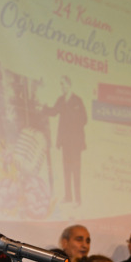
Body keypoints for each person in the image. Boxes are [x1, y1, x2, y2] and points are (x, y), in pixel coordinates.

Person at [44, 75, 87, 204]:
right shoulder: (61, 100)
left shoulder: (77, 100)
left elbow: (84, 119)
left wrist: (73, 123)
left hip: (76, 142)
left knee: (76, 170)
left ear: (69, 84)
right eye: (60, 84)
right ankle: (68, 197)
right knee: (66, 169)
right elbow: (53, 112)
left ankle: (78, 199)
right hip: (65, 142)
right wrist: (44, 108)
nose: (62, 87)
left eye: (63, 84)